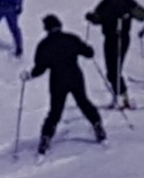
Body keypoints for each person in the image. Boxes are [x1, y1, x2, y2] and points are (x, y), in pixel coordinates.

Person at [22, 14, 106, 155]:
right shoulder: (70, 38)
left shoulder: (44, 45)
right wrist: (89, 49)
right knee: (84, 103)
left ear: (46, 28)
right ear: (60, 25)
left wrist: (29, 75)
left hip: (57, 80)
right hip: (75, 76)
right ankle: (98, 126)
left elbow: (40, 68)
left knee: (55, 111)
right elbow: (88, 53)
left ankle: (46, 138)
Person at [84, 0, 144, 109]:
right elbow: (98, 18)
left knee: (115, 70)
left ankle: (123, 98)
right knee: (111, 71)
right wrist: (91, 17)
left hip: (121, 38)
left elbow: (142, 15)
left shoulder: (127, 2)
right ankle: (120, 96)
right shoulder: (104, 4)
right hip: (109, 39)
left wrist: (128, 14)